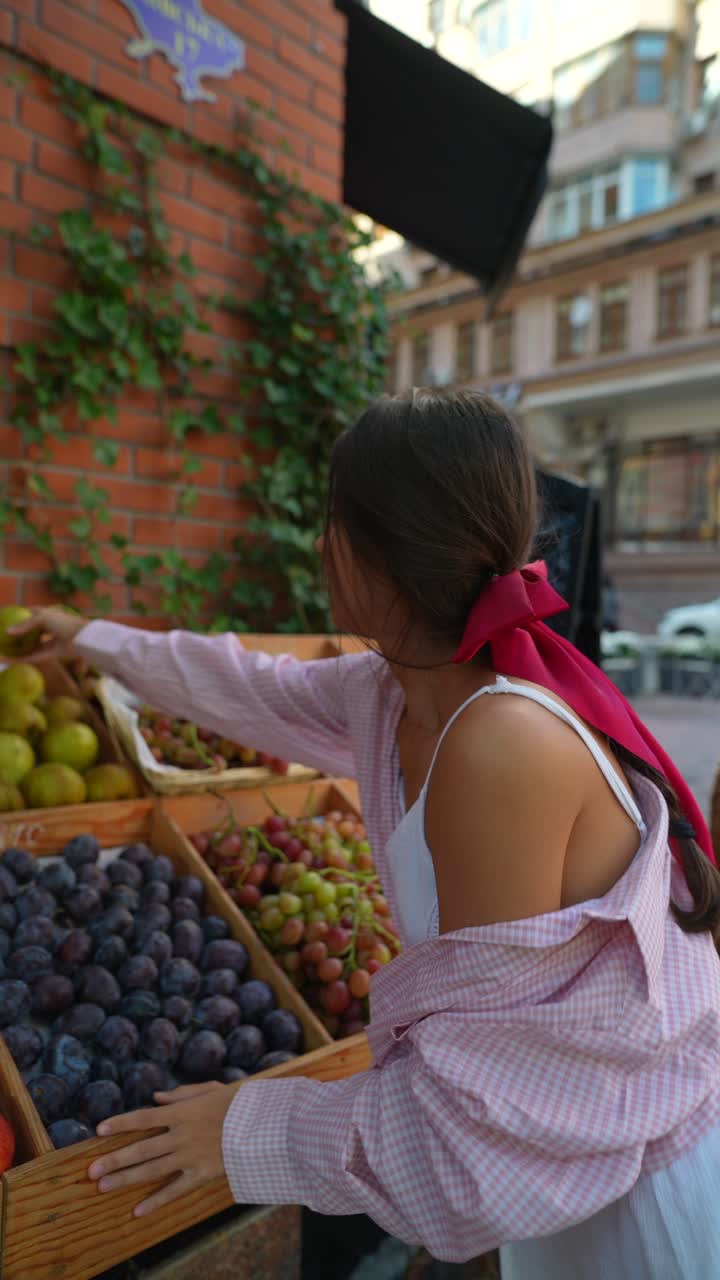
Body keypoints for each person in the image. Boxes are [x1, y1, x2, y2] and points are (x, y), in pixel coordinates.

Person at [16, 389, 720, 1278]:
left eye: (332, 522)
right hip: (568, 1172)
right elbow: (244, 685)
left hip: (640, 1205)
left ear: (382, 556)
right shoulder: (394, 692)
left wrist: (246, 1128)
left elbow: (474, 1132)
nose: (319, 547)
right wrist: (91, 640)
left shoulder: (501, 748)